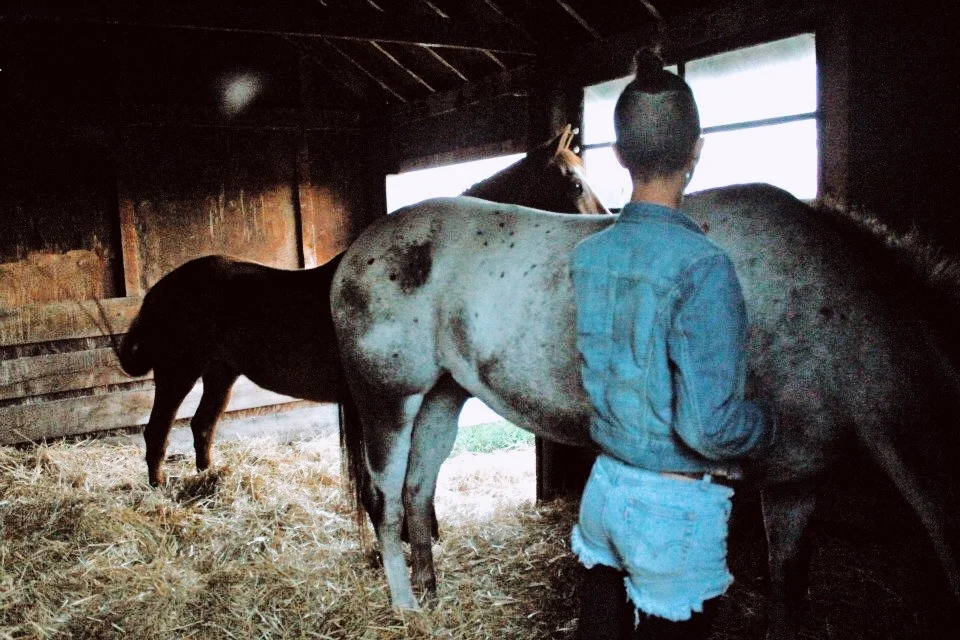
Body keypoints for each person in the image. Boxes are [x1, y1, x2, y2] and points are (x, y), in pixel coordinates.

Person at [569, 50, 777, 640]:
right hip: (671, 511)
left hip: (603, 490)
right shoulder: (703, 268)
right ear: (697, 151)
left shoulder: (589, 256)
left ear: (619, 155)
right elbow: (709, 429)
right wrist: (768, 424)